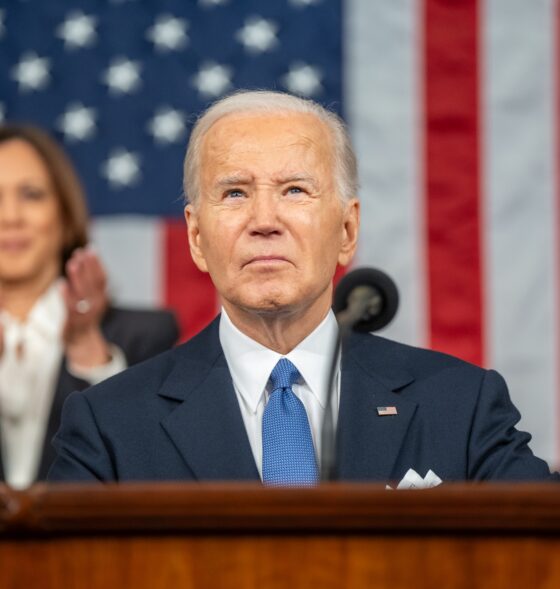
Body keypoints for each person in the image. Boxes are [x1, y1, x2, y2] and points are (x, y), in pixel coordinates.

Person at [48, 90, 557, 484]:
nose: (264, 220)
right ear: (197, 238)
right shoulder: (108, 426)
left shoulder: (461, 406)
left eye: (295, 190)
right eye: (234, 193)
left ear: (347, 231)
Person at [0, 124, 179, 488]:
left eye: (31, 195)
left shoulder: (146, 338)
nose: (10, 217)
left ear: (65, 217)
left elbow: (154, 473)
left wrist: (88, 352)